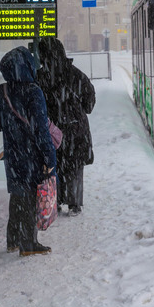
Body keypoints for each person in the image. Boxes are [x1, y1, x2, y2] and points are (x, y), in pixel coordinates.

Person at [0, 46, 57, 255]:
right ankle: (28, 244)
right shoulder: (34, 91)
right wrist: (49, 157)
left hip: (13, 155)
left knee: (17, 196)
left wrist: (9, 127)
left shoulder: (2, 91)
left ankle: (13, 239)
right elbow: (41, 129)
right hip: (32, 155)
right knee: (29, 198)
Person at [37, 38, 96, 216]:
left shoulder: (39, 77)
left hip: (52, 130)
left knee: (54, 164)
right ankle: (74, 203)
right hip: (75, 130)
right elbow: (89, 101)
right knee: (75, 165)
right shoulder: (75, 74)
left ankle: (54, 200)